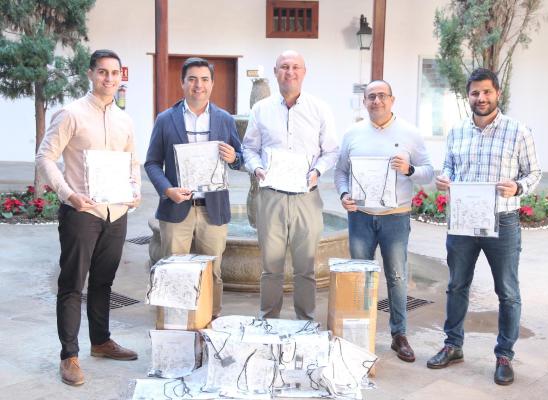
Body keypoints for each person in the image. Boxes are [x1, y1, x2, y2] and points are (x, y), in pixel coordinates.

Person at [426, 68, 542, 385]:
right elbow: (449, 166)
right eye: (475, 92)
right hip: (463, 221)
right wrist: (445, 179)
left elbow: (534, 173)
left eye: (487, 92)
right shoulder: (457, 131)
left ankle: (504, 356)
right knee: (456, 286)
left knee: (507, 292)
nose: (481, 98)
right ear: (468, 96)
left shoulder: (518, 131)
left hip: (502, 221)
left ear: (497, 93)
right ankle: (453, 345)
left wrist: (518, 187)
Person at [36, 49, 141, 386]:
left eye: (114, 73)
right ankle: (69, 356)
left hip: (116, 211)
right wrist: (68, 194)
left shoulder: (125, 120)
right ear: (91, 74)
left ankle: (101, 341)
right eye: (102, 72)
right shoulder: (71, 114)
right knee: (72, 284)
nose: (109, 78)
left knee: (104, 281)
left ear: (121, 76)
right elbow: (45, 156)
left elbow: (132, 162)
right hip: (82, 211)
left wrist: (134, 191)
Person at [334, 79, 433, 362]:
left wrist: (410, 169)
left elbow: (428, 172)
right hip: (360, 217)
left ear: (392, 100)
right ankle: (360, 332)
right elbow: (340, 172)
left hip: (395, 218)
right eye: (371, 97)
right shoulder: (352, 134)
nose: (376, 101)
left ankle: (399, 335)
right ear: (364, 101)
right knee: (360, 276)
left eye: (382, 96)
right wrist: (344, 194)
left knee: (397, 277)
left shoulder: (410, 133)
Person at [242, 50, 339, 320]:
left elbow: (332, 151)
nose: (290, 72)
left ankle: (305, 320)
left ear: (304, 72)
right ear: (276, 72)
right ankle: (268, 319)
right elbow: (249, 148)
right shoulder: (261, 109)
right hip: (271, 195)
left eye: (296, 67)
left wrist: (317, 171)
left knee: (305, 267)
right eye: (284, 67)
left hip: (306, 195)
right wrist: (256, 168)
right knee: (270, 267)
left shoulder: (320, 109)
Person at [145, 57, 242, 319]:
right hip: (176, 208)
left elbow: (240, 158)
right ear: (183, 83)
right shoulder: (166, 119)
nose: (198, 85)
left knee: (213, 272)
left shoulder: (224, 119)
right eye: (192, 79)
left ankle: (210, 322)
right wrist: (168, 190)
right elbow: (152, 163)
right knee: (173, 271)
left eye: (204, 79)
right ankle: (175, 325)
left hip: (213, 210)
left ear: (212, 83)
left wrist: (234, 157)